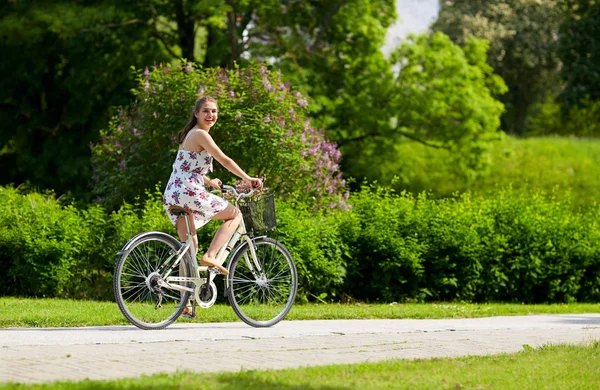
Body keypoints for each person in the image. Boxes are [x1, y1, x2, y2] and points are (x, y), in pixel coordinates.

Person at [163, 96, 262, 280]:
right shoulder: (201, 134)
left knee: (189, 247)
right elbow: (224, 160)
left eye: (214, 111)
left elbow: (185, 167)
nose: (210, 115)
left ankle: (185, 305)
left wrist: (208, 182)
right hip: (188, 191)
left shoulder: (190, 134)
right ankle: (210, 256)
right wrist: (248, 178)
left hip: (174, 192)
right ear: (196, 114)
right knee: (235, 214)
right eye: (206, 111)